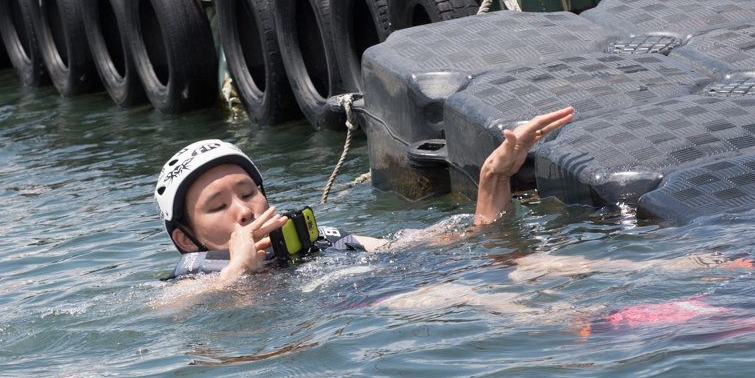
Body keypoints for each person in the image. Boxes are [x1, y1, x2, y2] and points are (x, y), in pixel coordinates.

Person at [155, 107, 575, 283]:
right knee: (471, 294)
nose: (245, 211)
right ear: (186, 239)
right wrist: (239, 271)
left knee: (559, 264)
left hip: (390, 283)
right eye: (218, 206)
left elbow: (474, 238)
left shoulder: (321, 241)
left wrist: (493, 177)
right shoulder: (193, 282)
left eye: (248, 192)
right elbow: (183, 323)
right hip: (379, 307)